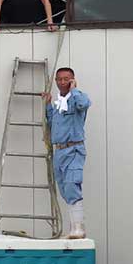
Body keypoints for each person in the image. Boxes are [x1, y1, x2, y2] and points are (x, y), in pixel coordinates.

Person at [43, 67, 90, 238]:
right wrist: (48, 105)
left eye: (66, 79)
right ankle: (74, 228)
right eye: (59, 79)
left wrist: (74, 90)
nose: (62, 82)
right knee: (64, 189)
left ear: (72, 80)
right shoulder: (58, 103)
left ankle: (79, 228)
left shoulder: (78, 98)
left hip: (74, 149)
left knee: (72, 184)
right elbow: (53, 122)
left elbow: (83, 104)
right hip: (59, 152)